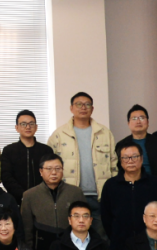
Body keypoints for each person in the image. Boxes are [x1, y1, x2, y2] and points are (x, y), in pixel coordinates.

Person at [47, 92, 117, 239]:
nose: (83, 107)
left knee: (101, 238)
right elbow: (50, 167)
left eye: (87, 104)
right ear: (71, 108)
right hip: (69, 195)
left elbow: (114, 164)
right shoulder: (59, 135)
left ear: (92, 108)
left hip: (99, 196)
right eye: (79, 104)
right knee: (69, 238)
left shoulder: (105, 133)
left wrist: (112, 191)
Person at [101, 142, 157, 250]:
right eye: (125, 157)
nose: (130, 161)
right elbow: (106, 217)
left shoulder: (155, 184)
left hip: (151, 247)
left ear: (142, 159)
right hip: (120, 248)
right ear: (120, 161)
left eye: (134, 156)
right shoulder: (110, 185)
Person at [20, 154, 86, 250]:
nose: (54, 172)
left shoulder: (76, 192)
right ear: (41, 171)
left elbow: (84, 223)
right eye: (49, 169)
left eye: (58, 168)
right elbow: (27, 229)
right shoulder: (29, 195)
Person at [1, 110, 54, 204]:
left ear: (36, 127)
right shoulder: (9, 150)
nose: (28, 127)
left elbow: (50, 175)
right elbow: (6, 177)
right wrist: (23, 195)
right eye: (23, 124)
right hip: (16, 201)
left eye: (31, 124)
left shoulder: (46, 150)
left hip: (43, 199)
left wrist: (39, 194)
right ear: (17, 128)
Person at [115, 105, 157, 181]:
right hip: (129, 185)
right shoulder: (121, 145)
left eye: (142, 118)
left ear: (148, 122)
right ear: (128, 123)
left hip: (156, 185)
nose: (138, 121)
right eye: (134, 118)